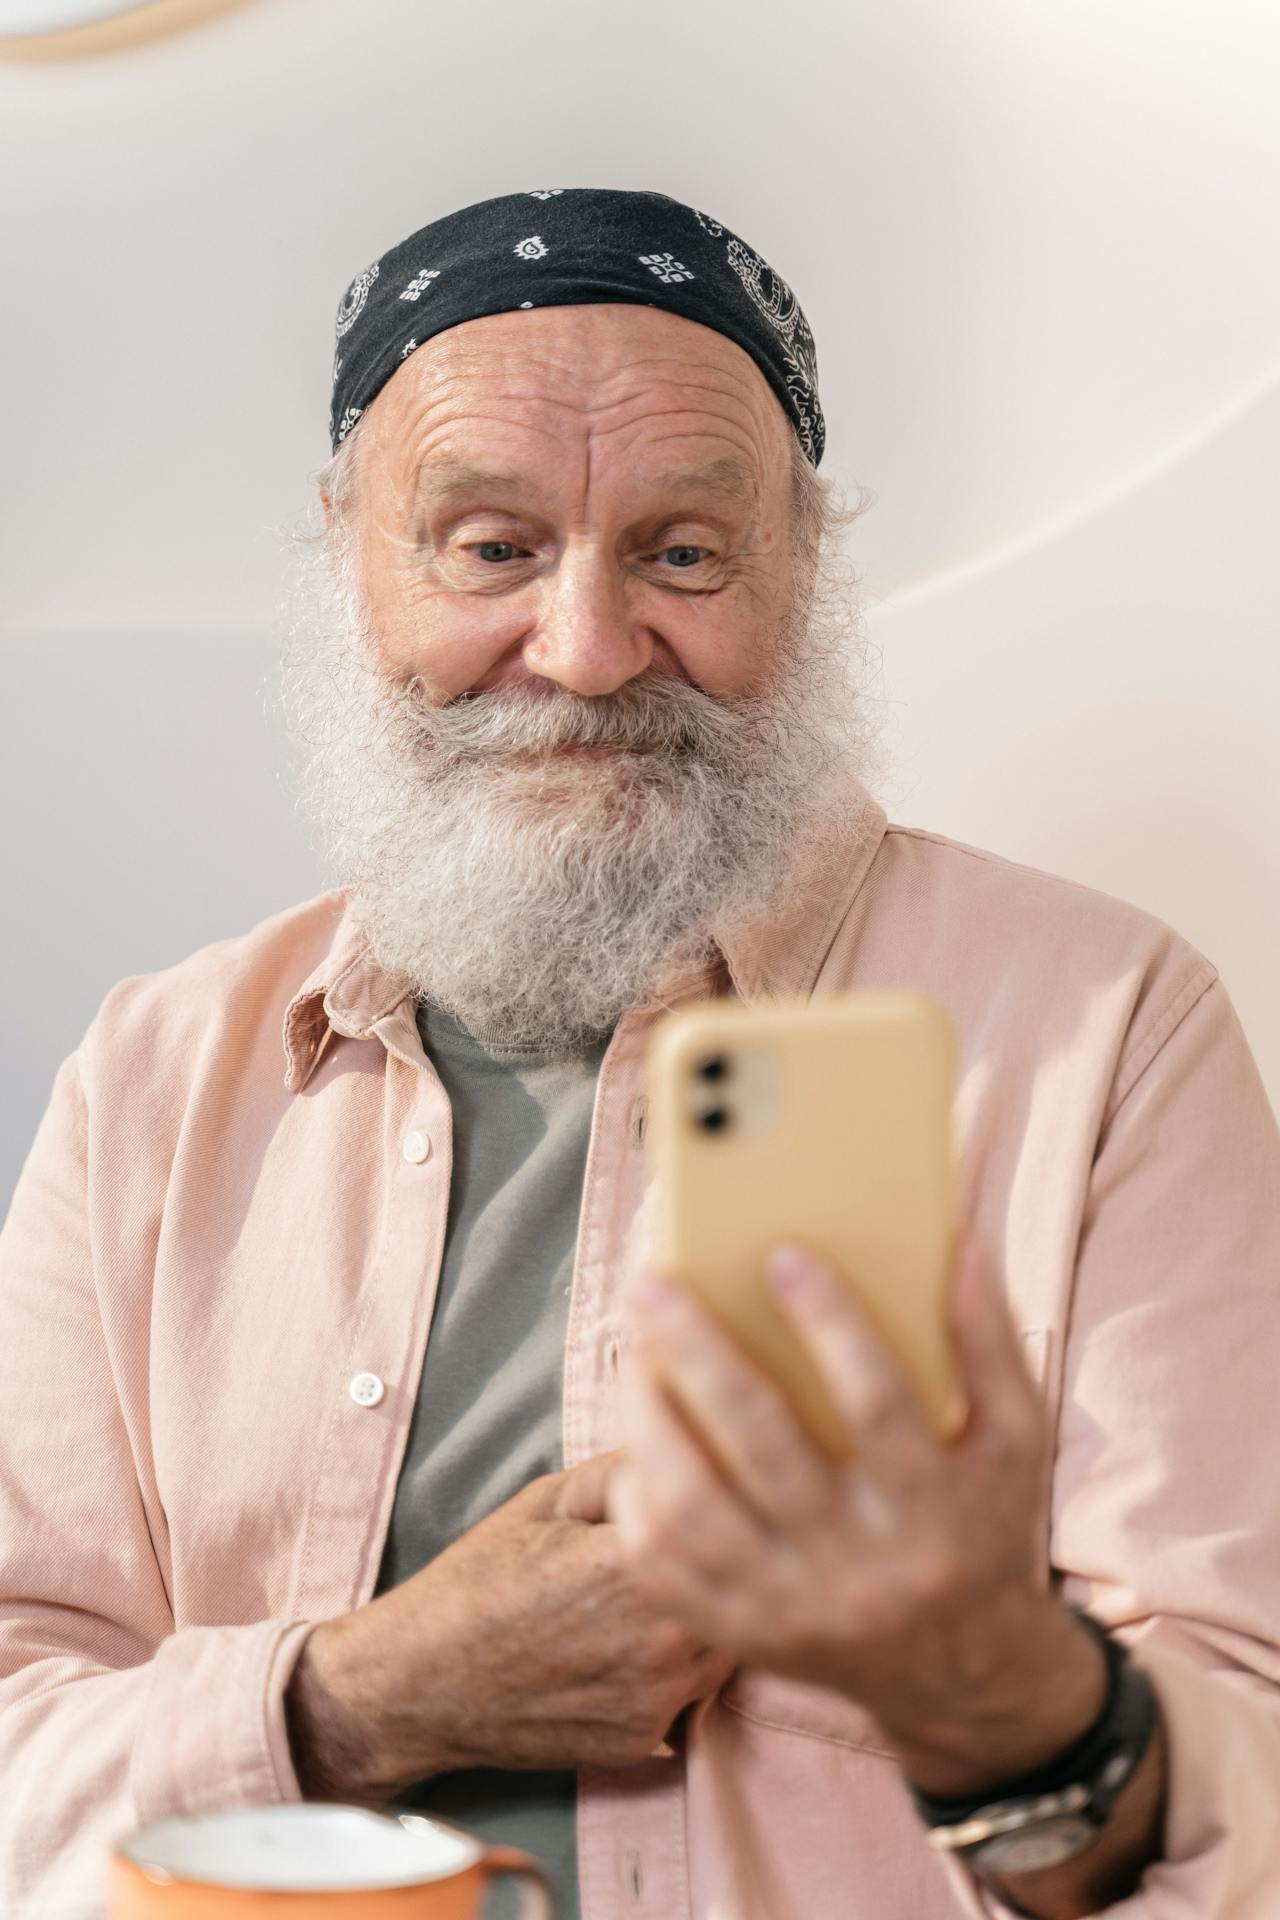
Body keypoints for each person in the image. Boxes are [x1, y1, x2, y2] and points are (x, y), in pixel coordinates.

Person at [1, 187, 1278, 1920]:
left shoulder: (1106, 1029)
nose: (589, 652)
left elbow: (1250, 1800)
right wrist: (360, 1699)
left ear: (805, 567)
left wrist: (1005, 1697)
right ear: (347, 558)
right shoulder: (154, 1077)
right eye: (488, 546)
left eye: (684, 551)